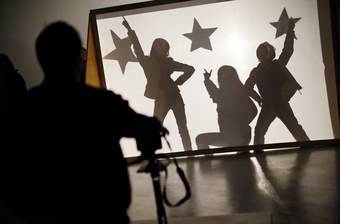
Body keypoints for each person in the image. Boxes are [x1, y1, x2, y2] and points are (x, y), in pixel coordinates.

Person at [0, 22, 165, 224]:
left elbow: (9, 171)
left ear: (41, 59)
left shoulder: (22, 110)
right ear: (78, 56)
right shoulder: (103, 103)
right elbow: (142, 125)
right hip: (104, 212)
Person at [122, 18, 195, 151]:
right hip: (161, 98)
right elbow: (137, 48)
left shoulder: (170, 62)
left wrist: (180, 81)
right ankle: (151, 156)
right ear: (154, 47)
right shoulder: (146, 61)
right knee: (155, 127)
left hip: (175, 96)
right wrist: (130, 31)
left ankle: (189, 152)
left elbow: (190, 69)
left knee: (182, 127)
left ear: (166, 49)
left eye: (163, 44)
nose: (161, 45)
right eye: (158, 43)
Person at [245, 18, 309, 145]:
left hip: (278, 101)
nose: (262, 53)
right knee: (260, 131)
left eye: (264, 51)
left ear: (269, 53)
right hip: (271, 103)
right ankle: (307, 146)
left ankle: (308, 147)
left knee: (292, 127)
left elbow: (288, 50)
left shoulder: (277, 65)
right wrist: (259, 99)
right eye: (260, 51)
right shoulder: (257, 71)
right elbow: (247, 87)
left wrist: (290, 30)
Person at [196, 66, 258, 149]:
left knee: (200, 139)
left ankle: (242, 149)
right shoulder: (221, 95)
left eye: (226, 74)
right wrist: (207, 80)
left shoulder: (239, 92)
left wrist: (242, 123)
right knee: (200, 139)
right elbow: (213, 92)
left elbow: (254, 110)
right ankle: (208, 161)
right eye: (222, 74)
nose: (224, 77)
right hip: (228, 137)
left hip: (241, 135)